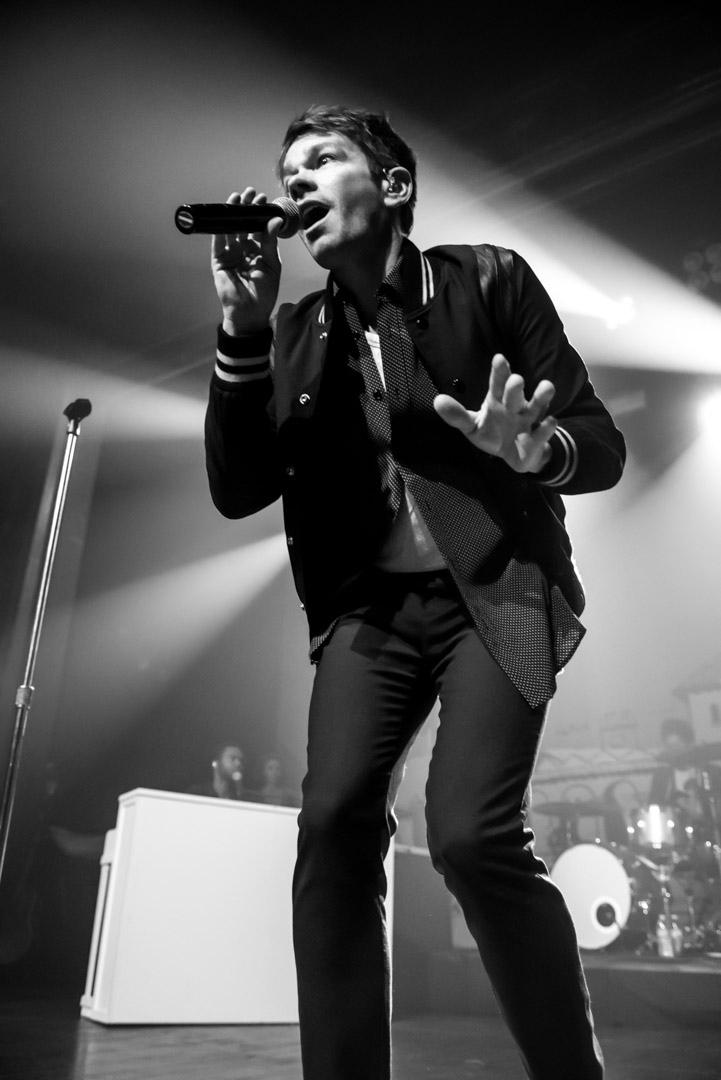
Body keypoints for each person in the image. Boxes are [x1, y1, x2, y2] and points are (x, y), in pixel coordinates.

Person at [203, 105, 626, 1080]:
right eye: (288, 171)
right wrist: (240, 327)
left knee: (472, 837)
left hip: (492, 588)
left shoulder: (487, 280)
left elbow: (600, 441)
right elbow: (237, 488)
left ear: (392, 186)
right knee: (331, 825)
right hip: (371, 612)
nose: (296, 181)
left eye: (322, 160)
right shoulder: (295, 333)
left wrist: (537, 451)